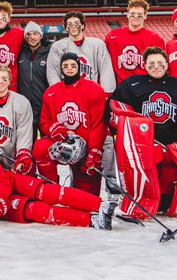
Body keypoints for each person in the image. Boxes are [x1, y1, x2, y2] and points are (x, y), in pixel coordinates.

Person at [109, 47, 177, 217]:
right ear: (145, 65)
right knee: (144, 193)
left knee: (166, 204)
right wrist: (118, 132)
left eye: (160, 63)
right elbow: (115, 108)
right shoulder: (132, 84)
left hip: (172, 147)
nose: (156, 66)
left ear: (167, 64)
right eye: (152, 63)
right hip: (142, 148)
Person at [34, 52, 108, 195]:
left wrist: (94, 151)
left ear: (79, 67)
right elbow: (44, 122)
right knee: (40, 147)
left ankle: (78, 185)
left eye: (73, 65)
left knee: (85, 198)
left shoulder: (94, 89)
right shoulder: (51, 92)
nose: (69, 68)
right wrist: (57, 130)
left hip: (84, 147)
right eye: (65, 66)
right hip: (61, 144)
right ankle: (51, 188)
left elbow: (98, 124)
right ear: (61, 68)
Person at [48, 11, 116, 93]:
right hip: (68, 93)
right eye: (69, 24)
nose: (73, 26)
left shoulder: (97, 44)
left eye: (76, 23)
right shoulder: (57, 47)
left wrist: (107, 93)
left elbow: (106, 70)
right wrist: (59, 93)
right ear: (65, 28)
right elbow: (53, 73)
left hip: (91, 93)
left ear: (83, 25)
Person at [104, 0, 165, 84]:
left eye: (139, 14)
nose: (136, 16)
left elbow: (160, 67)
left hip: (145, 87)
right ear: (127, 14)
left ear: (145, 16)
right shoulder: (113, 36)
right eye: (133, 13)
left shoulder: (154, 38)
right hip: (120, 88)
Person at [16, 21, 51, 123]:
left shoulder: (49, 52)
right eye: (28, 34)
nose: (32, 37)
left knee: (46, 138)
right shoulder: (20, 53)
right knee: (28, 138)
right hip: (25, 106)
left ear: (40, 36)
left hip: (43, 105)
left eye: (35, 34)